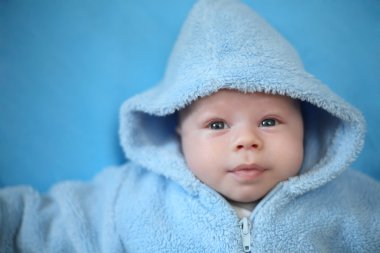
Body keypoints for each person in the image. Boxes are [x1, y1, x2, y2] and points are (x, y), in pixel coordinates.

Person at [1, 0, 379, 252]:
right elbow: (36, 225)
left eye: (269, 121)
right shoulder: (131, 197)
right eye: (217, 124)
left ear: (306, 122)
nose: (246, 140)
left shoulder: (351, 201)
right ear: (178, 131)